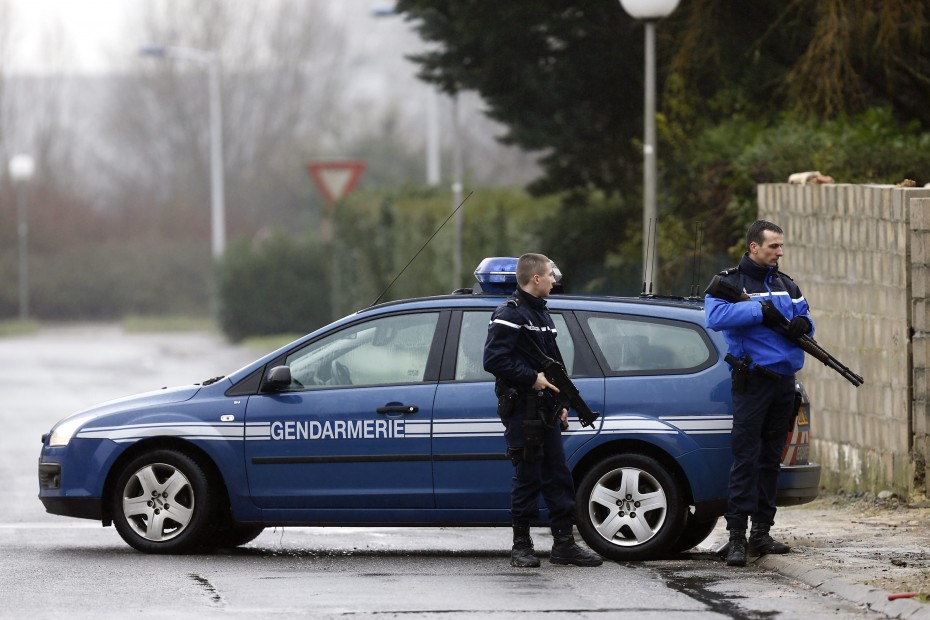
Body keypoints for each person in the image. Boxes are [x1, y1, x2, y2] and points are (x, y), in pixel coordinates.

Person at [705, 220, 814, 567]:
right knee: (745, 460)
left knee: (771, 460)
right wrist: (758, 310)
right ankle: (736, 536)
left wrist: (804, 325)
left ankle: (762, 532)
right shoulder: (730, 283)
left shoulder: (787, 283)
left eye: (781, 246)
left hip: (783, 382)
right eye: (773, 247)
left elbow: (806, 315)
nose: (779, 252)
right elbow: (716, 316)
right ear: (754, 247)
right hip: (752, 382)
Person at [483, 253, 603, 568]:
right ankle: (521, 546)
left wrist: (562, 403)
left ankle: (564, 545)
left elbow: (554, 366)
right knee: (528, 476)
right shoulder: (509, 314)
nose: (554, 280)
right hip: (522, 409)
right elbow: (493, 360)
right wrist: (531, 379)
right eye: (550, 275)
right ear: (535, 279)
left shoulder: (542, 315)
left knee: (558, 477)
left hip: (545, 410)